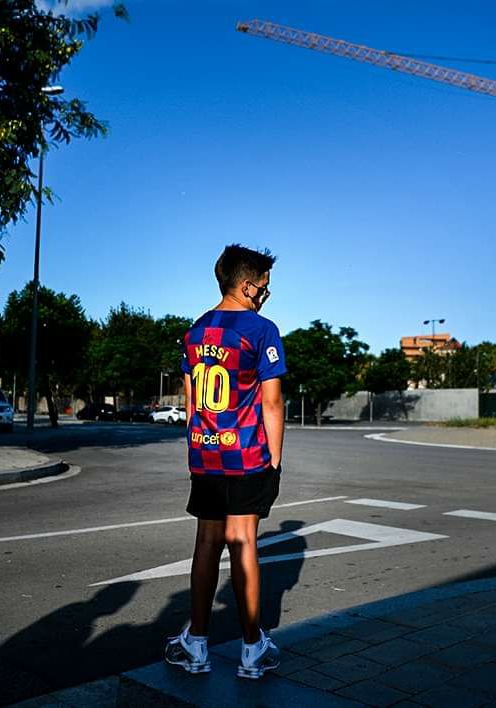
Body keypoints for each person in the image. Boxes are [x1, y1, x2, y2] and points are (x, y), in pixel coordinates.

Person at [164, 244, 286, 680]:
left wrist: (197, 447)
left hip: (206, 453)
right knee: (243, 541)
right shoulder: (262, 330)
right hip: (246, 454)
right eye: (264, 286)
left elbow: (191, 403)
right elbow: (271, 402)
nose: (266, 294)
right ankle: (252, 647)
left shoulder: (195, 331)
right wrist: (274, 459)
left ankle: (196, 643)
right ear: (248, 286)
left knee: (206, 543)